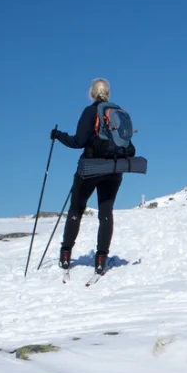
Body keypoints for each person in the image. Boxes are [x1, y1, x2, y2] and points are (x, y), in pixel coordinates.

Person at [51, 78, 130, 275]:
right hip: (114, 168)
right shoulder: (119, 113)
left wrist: (58, 135)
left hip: (91, 167)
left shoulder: (90, 111)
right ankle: (101, 259)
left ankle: (66, 254)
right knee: (106, 212)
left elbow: (78, 142)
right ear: (109, 93)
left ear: (92, 94)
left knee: (76, 209)